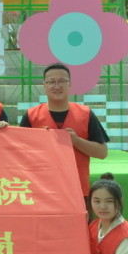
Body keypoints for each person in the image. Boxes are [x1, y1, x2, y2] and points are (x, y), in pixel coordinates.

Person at [19, 63, 109, 208]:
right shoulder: (31, 116)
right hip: (41, 190)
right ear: (44, 85)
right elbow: (19, 155)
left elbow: (102, 152)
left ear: (70, 84)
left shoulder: (85, 114)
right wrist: (39, 142)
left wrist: (76, 141)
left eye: (62, 81)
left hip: (78, 190)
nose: (57, 86)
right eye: (51, 82)